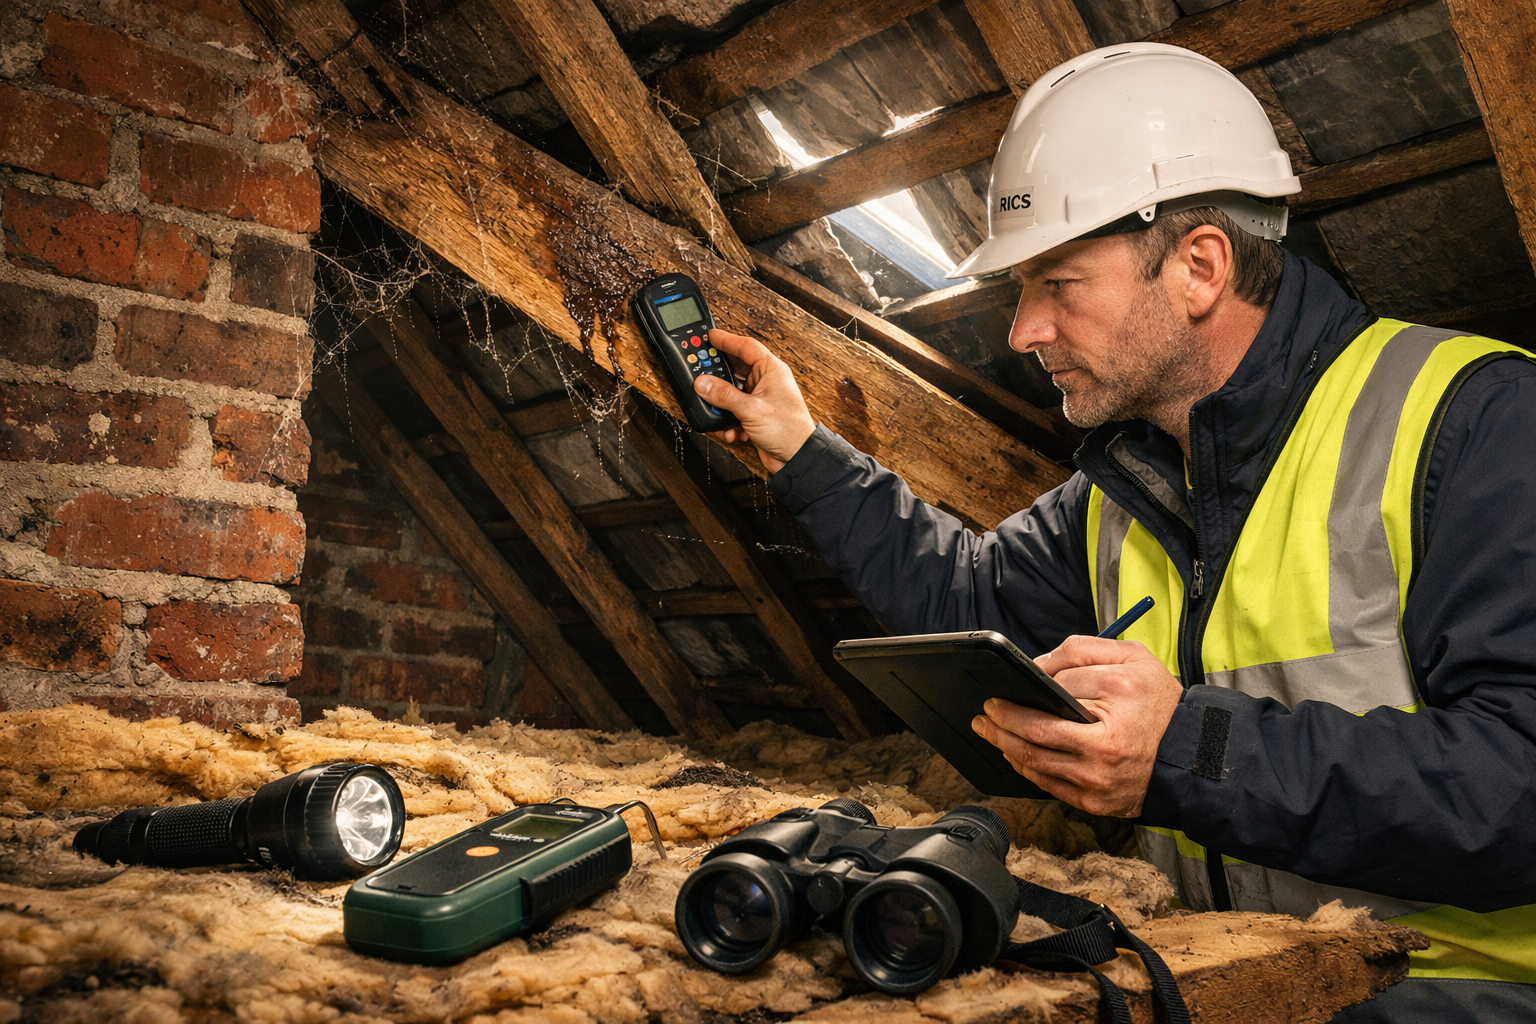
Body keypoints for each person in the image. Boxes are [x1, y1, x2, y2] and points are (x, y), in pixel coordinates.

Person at [691, 41, 1536, 1021]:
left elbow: (1517, 785)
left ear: (1199, 266)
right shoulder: (1123, 487)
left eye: (1057, 283)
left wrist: (1186, 748)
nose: (1022, 332)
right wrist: (801, 452)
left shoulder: (1475, 423)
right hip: (1225, 981)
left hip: (1450, 990)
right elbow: (970, 602)